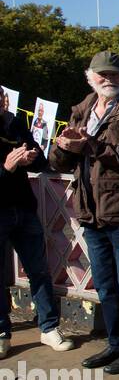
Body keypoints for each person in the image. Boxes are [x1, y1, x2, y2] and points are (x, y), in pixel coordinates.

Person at [49, 51, 119, 374]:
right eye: (102, 74)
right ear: (90, 77)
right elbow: (58, 162)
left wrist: (91, 147)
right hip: (89, 211)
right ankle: (116, 342)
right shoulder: (80, 111)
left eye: (114, 74)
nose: (108, 79)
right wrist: (64, 146)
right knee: (106, 285)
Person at [1, 85, 72, 358]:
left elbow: (40, 162)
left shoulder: (15, 123)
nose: (2, 102)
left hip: (23, 208)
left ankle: (49, 327)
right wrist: (6, 167)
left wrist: (30, 158)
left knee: (39, 270)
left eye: (2, 97)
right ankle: (2, 331)